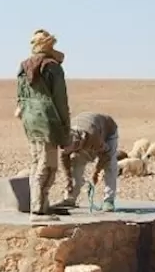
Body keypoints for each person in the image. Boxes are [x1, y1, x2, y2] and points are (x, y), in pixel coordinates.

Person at [15, 29, 71, 221]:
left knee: (35, 161)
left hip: (30, 119)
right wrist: (65, 129)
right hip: (48, 119)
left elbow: (20, 96)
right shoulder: (52, 67)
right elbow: (61, 101)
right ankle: (38, 208)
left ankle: (41, 204)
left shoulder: (24, 66)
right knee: (48, 165)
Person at [55, 112, 119, 212]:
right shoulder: (65, 141)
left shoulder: (93, 137)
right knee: (75, 163)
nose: (64, 151)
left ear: (76, 144)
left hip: (108, 132)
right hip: (86, 133)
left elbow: (106, 154)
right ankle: (70, 199)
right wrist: (68, 179)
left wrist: (96, 172)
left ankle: (108, 200)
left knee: (110, 165)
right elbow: (64, 160)